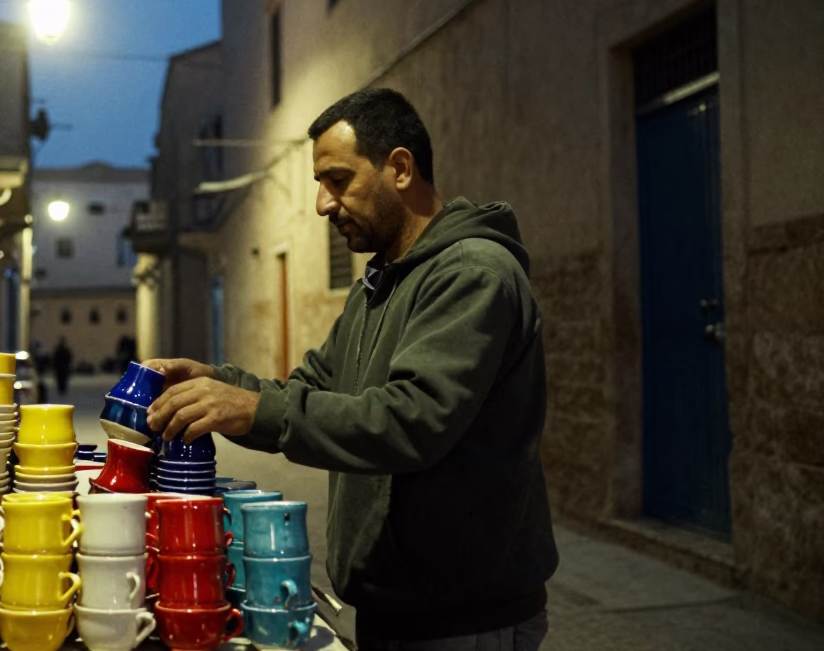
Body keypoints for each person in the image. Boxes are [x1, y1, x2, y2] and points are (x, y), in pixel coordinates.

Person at [145, 88, 557, 649]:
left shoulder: (472, 274)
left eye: (338, 180)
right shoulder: (379, 285)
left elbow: (412, 421)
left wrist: (254, 410)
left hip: (466, 619)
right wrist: (217, 385)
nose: (322, 203)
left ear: (401, 168)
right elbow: (310, 388)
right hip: (399, 607)